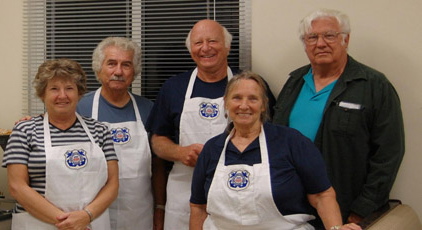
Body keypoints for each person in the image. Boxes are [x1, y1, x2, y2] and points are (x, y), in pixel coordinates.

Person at [273, 9, 405, 226]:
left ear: (346, 39)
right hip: (290, 209)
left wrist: (362, 209)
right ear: (305, 44)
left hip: (343, 209)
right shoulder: (294, 82)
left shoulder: (374, 85)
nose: (320, 43)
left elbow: (388, 154)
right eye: (312, 37)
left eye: (329, 35)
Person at [146, 19, 276, 230]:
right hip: (184, 192)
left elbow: (270, 136)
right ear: (191, 51)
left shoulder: (250, 86)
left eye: (213, 41)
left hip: (237, 188)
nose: (205, 48)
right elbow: (158, 140)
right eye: (198, 43)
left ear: (227, 46)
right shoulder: (173, 87)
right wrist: (180, 153)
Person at [189, 71, 361, 230]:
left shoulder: (292, 142)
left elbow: (322, 195)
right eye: (237, 98)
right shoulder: (212, 149)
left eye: (253, 99)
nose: (244, 105)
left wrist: (336, 229)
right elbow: (198, 207)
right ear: (226, 102)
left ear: (264, 105)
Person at [2, 59, 119, 230]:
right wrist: (68, 223)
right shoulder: (24, 130)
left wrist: (86, 216)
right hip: (38, 224)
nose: (62, 95)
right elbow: (17, 187)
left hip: (90, 223)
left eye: (69, 88)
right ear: (43, 94)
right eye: (54, 89)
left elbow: (113, 183)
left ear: (79, 93)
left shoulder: (100, 130)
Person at [76, 37, 159, 230]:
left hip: (138, 212)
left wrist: (160, 208)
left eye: (126, 65)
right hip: (92, 211)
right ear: (99, 68)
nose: (118, 71)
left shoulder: (148, 109)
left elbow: (158, 165)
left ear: (134, 71)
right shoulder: (80, 108)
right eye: (111, 63)